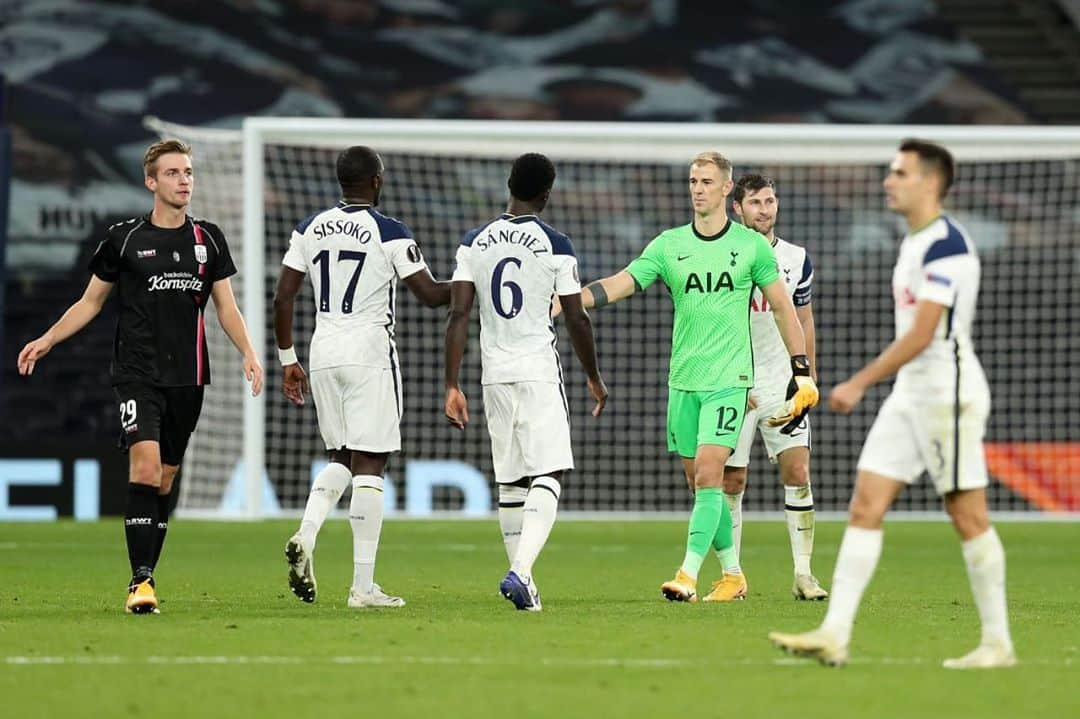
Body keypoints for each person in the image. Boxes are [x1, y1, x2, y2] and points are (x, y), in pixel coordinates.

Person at [769, 139, 1016, 669]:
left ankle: (997, 643)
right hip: (911, 394)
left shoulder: (947, 246)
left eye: (899, 172)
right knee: (865, 505)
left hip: (946, 395)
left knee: (967, 516)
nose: (888, 180)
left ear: (929, 182)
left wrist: (858, 382)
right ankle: (834, 632)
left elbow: (925, 332)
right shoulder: (913, 240)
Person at [17, 139, 264, 614]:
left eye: (188, 172)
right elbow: (91, 302)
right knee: (146, 469)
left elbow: (226, 307)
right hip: (136, 374)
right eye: (173, 173)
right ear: (151, 182)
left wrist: (249, 352)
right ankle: (141, 582)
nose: (184, 180)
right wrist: (48, 339)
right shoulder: (124, 239)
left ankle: (148, 571)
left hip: (189, 376)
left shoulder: (208, 239)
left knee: (166, 480)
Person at [561, 152, 817, 603]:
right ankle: (734, 574)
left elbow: (783, 307)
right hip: (683, 381)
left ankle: (687, 573)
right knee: (704, 485)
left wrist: (801, 372)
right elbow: (624, 281)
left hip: (731, 380)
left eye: (706, 181)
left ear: (725, 190)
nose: (697, 188)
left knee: (707, 476)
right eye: (692, 180)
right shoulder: (668, 244)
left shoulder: (752, 247)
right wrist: (571, 301)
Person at [274, 146, 449, 608]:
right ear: (376, 180)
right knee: (372, 465)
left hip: (323, 351)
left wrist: (287, 358)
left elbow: (283, 297)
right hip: (369, 352)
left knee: (340, 456)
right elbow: (430, 295)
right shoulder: (389, 231)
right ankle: (362, 587)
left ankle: (307, 532)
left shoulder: (309, 228)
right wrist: (469, 286)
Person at [444, 153, 607, 612]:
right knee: (548, 472)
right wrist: (593, 376)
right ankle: (520, 572)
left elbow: (458, 314)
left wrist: (451, 384)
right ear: (547, 195)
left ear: (509, 186)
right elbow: (576, 316)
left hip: (492, 374)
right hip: (537, 367)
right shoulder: (556, 244)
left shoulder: (474, 242)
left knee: (511, 482)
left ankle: (523, 581)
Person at [724, 174, 827, 600]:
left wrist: (808, 377)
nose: (764, 209)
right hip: (733, 383)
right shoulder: (724, 254)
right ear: (737, 209)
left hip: (780, 379)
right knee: (732, 481)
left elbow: (802, 318)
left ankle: (804, 574)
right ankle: (733, 575)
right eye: (755, 203)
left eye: (770, 201)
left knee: (798, 470)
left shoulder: (797, 259)